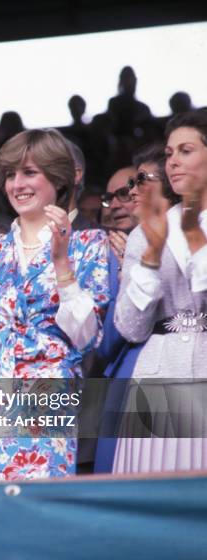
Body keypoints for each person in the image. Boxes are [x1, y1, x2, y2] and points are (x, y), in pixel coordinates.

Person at [0, 128, 109, 482]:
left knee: (42, 511)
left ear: (59, 178)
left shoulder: (89, 242)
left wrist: (62, 261)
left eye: (29, 172)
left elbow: (84, 337)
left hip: (48, 388)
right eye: (10, 175)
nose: (17, 183)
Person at [112, 109, 207, 473]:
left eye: (186, 150)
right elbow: (131, 328)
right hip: (158, 371)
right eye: (169, 154)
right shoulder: (146, 231)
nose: (173, 163)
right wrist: (150, 257)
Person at [94, 144, 176, 472]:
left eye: (133, 186)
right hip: (124, 375)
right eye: (111, 196)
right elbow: (107, 341)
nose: (123, 199)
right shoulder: (96, 252)